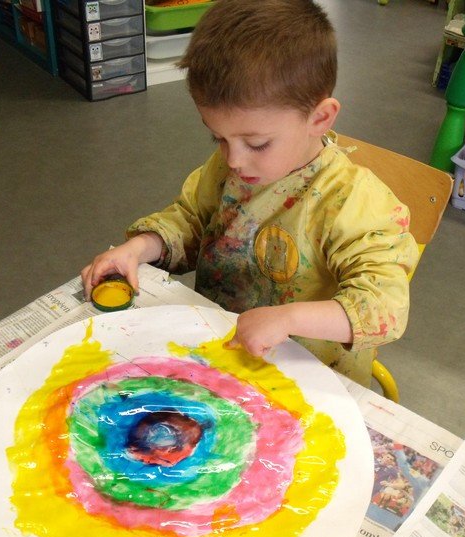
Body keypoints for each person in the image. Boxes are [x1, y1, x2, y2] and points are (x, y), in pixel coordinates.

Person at [81, 0, 418, 386]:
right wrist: (140, 248)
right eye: (219, 138)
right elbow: (192, 221)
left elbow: (383, 307)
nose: (234, 160)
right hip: (223, 354)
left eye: (257, 144)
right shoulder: (231, 167)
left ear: (320, 118)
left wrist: (288, 319)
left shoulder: (353, 201)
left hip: (308, 378)